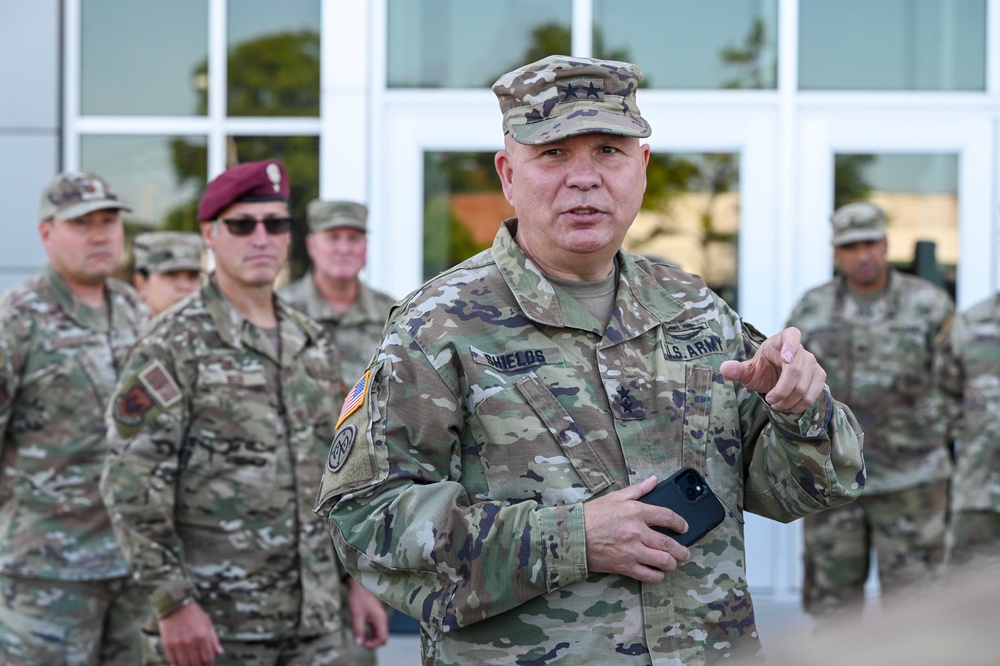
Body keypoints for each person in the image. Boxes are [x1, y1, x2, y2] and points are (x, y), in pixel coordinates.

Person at [315, 55, 865, 664]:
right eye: (552, 153)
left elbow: (800, 490)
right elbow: (365, 521)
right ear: (508, 174)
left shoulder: (693, 309)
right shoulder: (437, 325)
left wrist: (802, 412)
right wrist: (571, 539)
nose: (584, 178)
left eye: (608, 150)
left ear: (642, 167)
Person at [100, 159, 388, 666]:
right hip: (215, 627)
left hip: (316, 624)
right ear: (210, 233)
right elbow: (131, 486)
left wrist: (356, 582)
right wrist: (173, 603)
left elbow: (339, 473)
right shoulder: (171, 345)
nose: (262, 238)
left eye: (275, 223)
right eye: (242, 224)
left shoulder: (311, 341)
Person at [0, 172, 148, 664]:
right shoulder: (18, 320)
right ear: (47, 234)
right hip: (47, 576)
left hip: (132, 567)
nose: (100, 234)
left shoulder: (133, 308)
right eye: (82, 223)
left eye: (108, 221)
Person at [787, 202, 954, 620]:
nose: (862, 255)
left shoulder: (930, 305)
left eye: (870, 243)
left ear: (885, 243)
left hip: (913, 482)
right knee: (833, 611)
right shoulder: (812, 309)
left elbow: (959, 383)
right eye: (850, 246)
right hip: (835, 481)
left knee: (919, 612)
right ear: (836, 252)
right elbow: (788, 383)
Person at [279, 200, 396, 390]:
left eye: (353, 238)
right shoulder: (280, 310)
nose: (344, 249)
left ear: (365, 246)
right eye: (333, 238)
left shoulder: (391, 315)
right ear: (311, 245)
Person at [935, 292, 1000, 568]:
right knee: (967, 593)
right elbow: (942, 395)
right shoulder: (971, 322)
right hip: (980, 490)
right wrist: (974, 438)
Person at [132, 230, 204, 316]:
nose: (185, 286)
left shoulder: (216, 326)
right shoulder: (123, 327)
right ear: (141, 284)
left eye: (193, 275)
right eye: (171, 274)